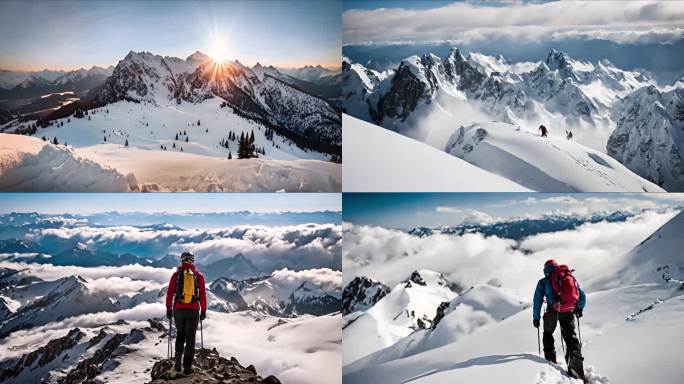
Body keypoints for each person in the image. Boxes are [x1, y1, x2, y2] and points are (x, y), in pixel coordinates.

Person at [533, 259, 586, 380]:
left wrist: (536, 318)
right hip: (568, 310)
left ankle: (550, 361)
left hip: (552, 311)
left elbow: (537, 301)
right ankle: (575, 357)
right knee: (570, 336)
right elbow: (581, 294)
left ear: (545, 270)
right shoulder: (568, 277)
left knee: (548, 333)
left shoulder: (543, 282)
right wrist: (579, 308)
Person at [166, 251, 207, 374]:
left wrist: (168, 308)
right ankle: (188, 366)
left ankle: (178, 362)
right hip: (193, 309)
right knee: (190, 338)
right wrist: (203, 310)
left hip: (179, 309)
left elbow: (170, 293)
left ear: (182, 260)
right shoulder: (198, 275)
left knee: (180, 334)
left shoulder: (176, 275)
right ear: (192, 261)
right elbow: (203, 295)